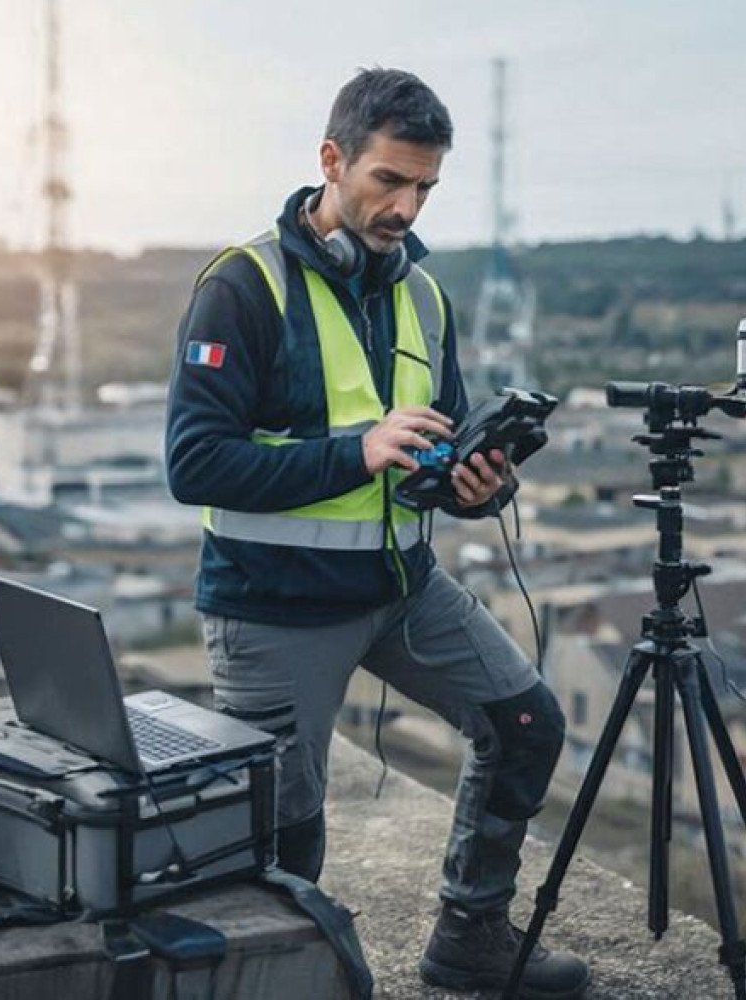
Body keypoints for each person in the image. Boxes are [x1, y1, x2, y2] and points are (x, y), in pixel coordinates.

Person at [165, 67, 590, 999]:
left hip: (399, 589)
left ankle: (470, 940)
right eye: (388, 181)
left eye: (425, 187)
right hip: (272, 607)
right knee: (286, 828)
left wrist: (476, 485)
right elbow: (195, 464)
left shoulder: (426, 298)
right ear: (331, 159)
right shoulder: (243, 288)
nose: (406, 206)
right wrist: (356, 451)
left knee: (526, 726)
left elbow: (435, 460)